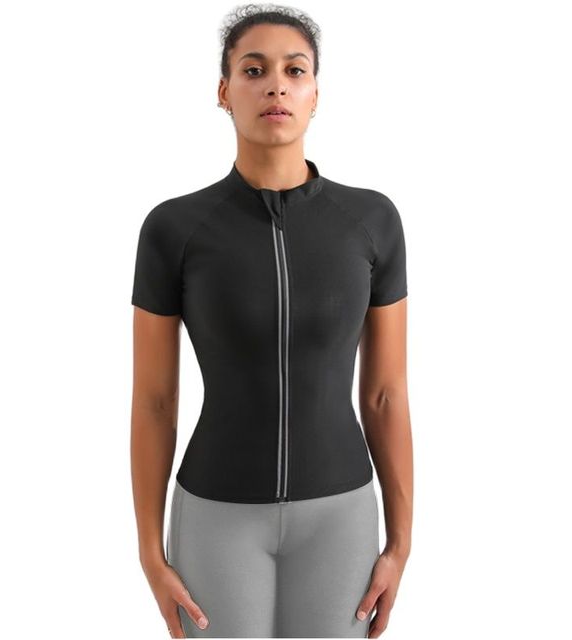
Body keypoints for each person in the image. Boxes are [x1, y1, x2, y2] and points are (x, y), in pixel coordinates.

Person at [130, 4, 413, 638]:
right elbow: (154, 401)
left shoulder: (371, 222)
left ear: (316, 94)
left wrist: (400, 544)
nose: (276, 86)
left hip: (340, 516)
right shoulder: (174, 229)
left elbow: (386, 394)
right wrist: (150, 552)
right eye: (254, 70)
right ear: (224, 91)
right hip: (215, 513)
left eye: (295, 70)